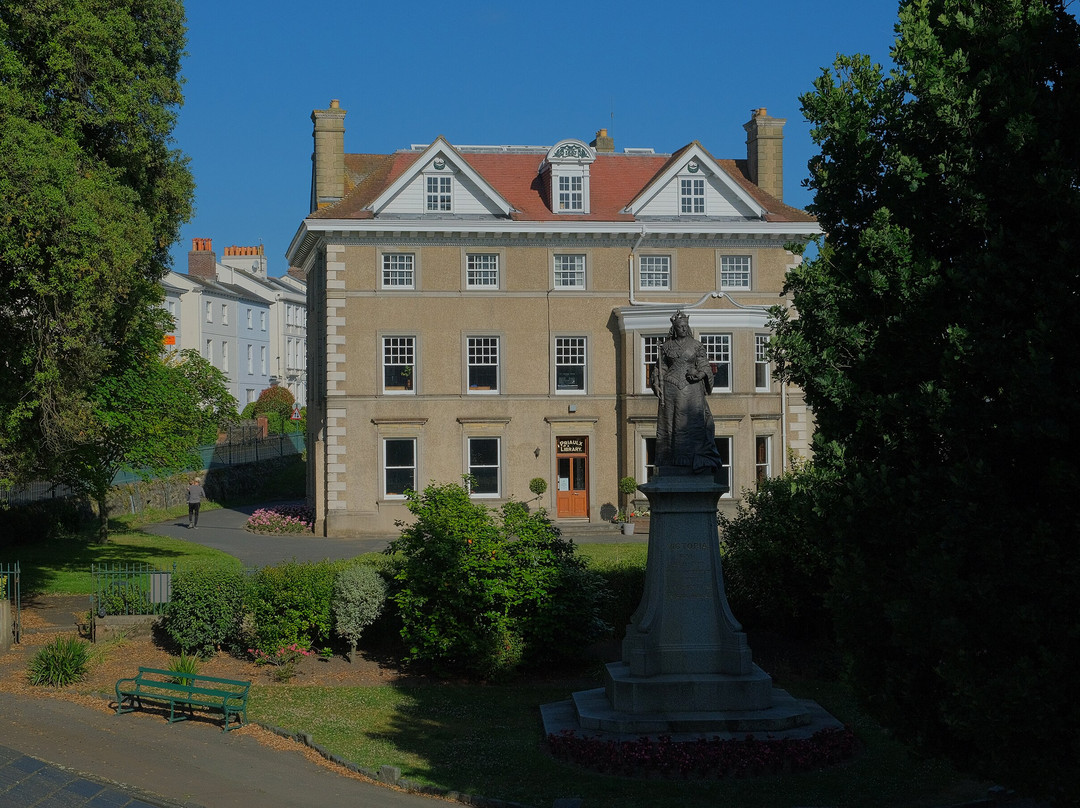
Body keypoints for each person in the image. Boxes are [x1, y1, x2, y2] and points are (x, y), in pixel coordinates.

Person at [651, 310, 722, 475]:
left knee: (694, 423)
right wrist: (656, 382)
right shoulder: (666, 346)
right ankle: (670, 461)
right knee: (671, 426)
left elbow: (704, 365)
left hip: (692, 389)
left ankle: (692, 460)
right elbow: (660, 368)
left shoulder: (696, 345)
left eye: (685, 326)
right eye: (680, 327)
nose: (683, 329)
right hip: (670, 389)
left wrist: (700, 374)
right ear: (675, 329)